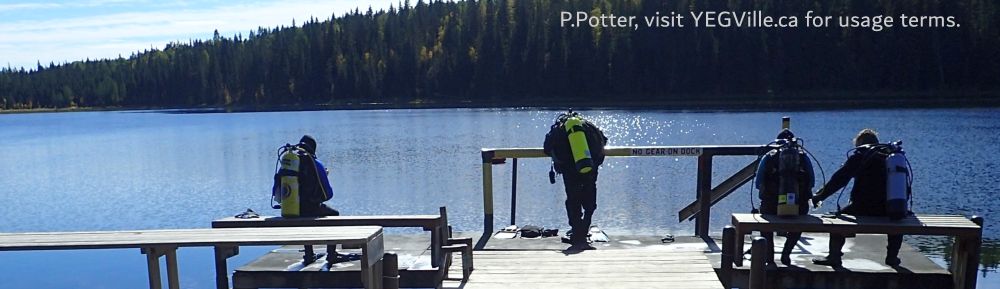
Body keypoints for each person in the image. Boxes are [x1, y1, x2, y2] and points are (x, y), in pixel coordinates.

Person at [810, 129, 904, 267]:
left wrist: (819, 197)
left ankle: (834, 256)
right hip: (889, 208)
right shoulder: (891, 156)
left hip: (862, 207)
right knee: (898, 219)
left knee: (837, 219)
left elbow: (839, 180)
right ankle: (892, 257)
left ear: (859, 143)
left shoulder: (860, 156)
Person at [543, 111, 607, 250]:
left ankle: (577, 233)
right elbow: (604, 140)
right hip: (589, 167)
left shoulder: (559, 129)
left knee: (573, 199)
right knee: (589, 198)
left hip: (569, 170)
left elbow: (546, 147)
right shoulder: (587, 126)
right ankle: (584, 229)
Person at [755, 129, 815, 266]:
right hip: (798, 206)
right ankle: (786, 254)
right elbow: (811, 182)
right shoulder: (803, 157)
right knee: (798, 224)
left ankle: (769, 257)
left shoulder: (769, 156)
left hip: (771, 205)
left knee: (766, 225)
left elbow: (758, 183)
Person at [273, 135, 340, 217]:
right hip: (312, 209)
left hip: (289, 209)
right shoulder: (317, 164)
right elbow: (328, 195)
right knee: (335, 214)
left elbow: (276, 193)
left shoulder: (288, 163)